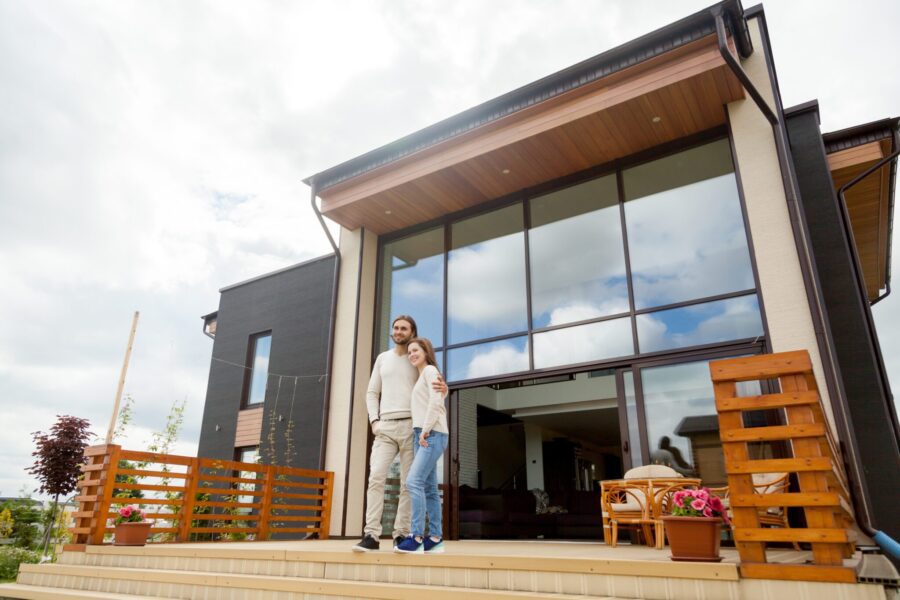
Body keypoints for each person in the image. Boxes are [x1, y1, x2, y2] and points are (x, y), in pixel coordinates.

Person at [353, 316, 446, 552]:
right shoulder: (383, 359)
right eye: (395, 327)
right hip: (384, 428)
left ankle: (401, 534)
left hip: (411, 427)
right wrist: (374, 421)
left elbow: (433, 385)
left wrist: (445, 388)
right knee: (376, 477)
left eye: (403, 328)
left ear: (412, 331)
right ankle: (371, 535)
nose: (398, 331)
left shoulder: (417, 358)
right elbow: (372, 392)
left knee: (408, 483)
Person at [395, 337, 448, 554]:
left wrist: (425, 430)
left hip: (431, 433)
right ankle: (435, 538)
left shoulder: (430, 372)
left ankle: (416, 537)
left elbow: (436, 402)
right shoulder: (422, 376)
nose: (412, 354)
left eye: (415, 350)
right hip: (424, 433)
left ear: (426, 351)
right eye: (409, 352)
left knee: (413, 482)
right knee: (429, 489)